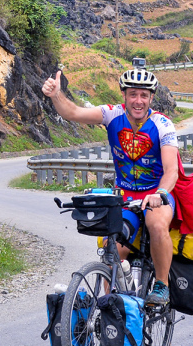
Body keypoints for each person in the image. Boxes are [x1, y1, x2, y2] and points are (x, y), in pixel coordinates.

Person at [41, 67, 177, 306]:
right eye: (133, 94)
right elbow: (72, 112)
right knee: (111, 247)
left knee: (156, 224)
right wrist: (56, 96)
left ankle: (161, 285)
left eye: (143, 95)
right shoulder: (111, 114)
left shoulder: (163, 124)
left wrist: (160, 193)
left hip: (156, 193)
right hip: (125, 196)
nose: (138, 100)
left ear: (151, 98)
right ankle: (111, 303)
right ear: (124, 95)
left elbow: (171, 170)